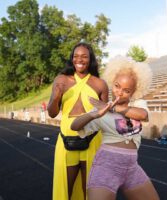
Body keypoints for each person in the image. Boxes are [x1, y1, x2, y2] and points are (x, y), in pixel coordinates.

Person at [71, 56, 160, 200]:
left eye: (126, 90)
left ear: (134, 91)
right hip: (106, 167)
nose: (119, 92)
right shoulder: (101, 110)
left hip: (131, 168)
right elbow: (75, 125)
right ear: (112, 82)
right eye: (117, 86)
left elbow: (142, 115)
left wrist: (113, 108)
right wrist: (94, 114)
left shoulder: (138, 104)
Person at [47, 42, 109, 200]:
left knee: (90, 191)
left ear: (91, 59)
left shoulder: (100, 84)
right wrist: (56, 97)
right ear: (71, 59)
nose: (79, 60)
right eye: (75, 56)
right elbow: (52, 113)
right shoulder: (61, 79)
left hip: (93, 140)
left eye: (84, 56)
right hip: (66, 140)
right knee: (65, 190)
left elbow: (105, 116)